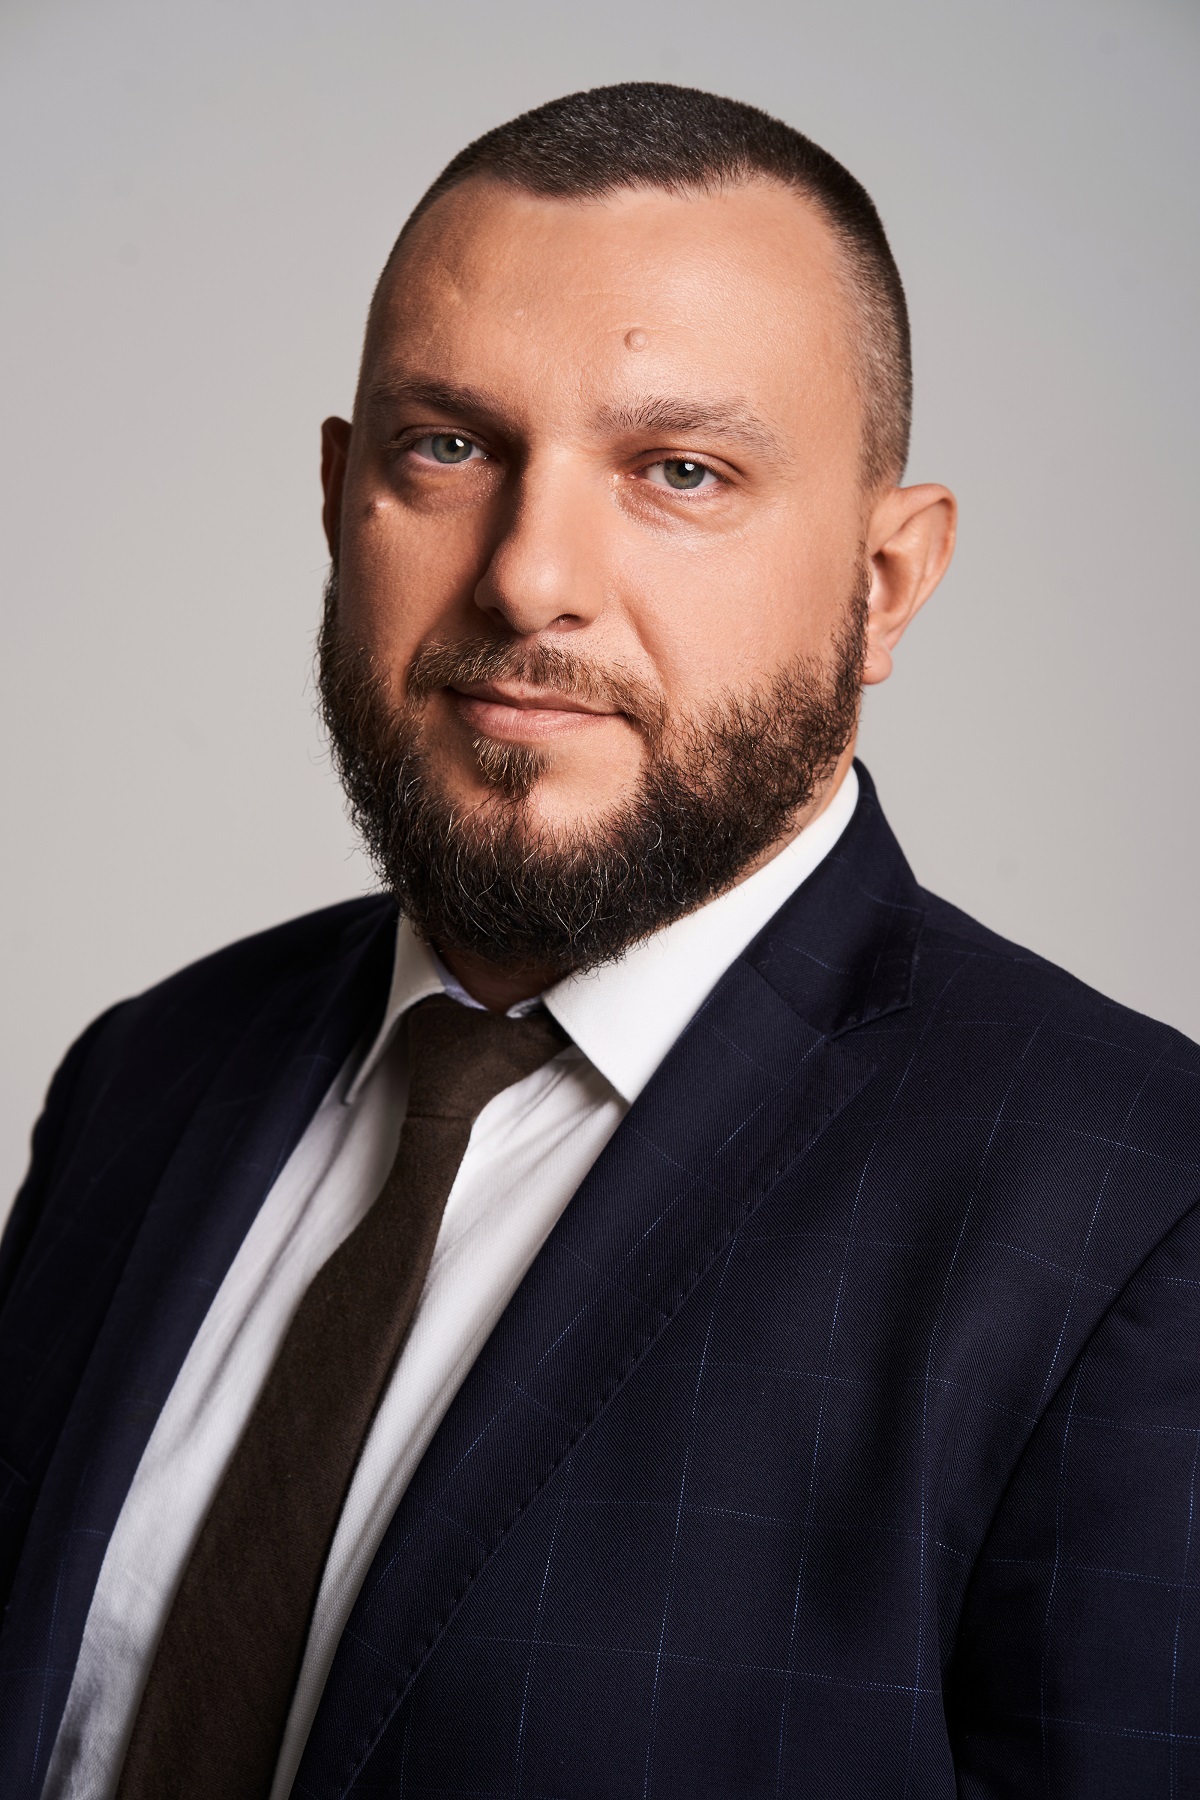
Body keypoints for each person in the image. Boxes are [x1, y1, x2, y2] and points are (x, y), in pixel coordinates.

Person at [1, 79, 1197, 1800]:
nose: (527, 577)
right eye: (447, 446)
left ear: (885, 582)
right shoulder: (147, 1077)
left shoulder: (1135, 1221)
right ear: (338, 498)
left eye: (680, 471)